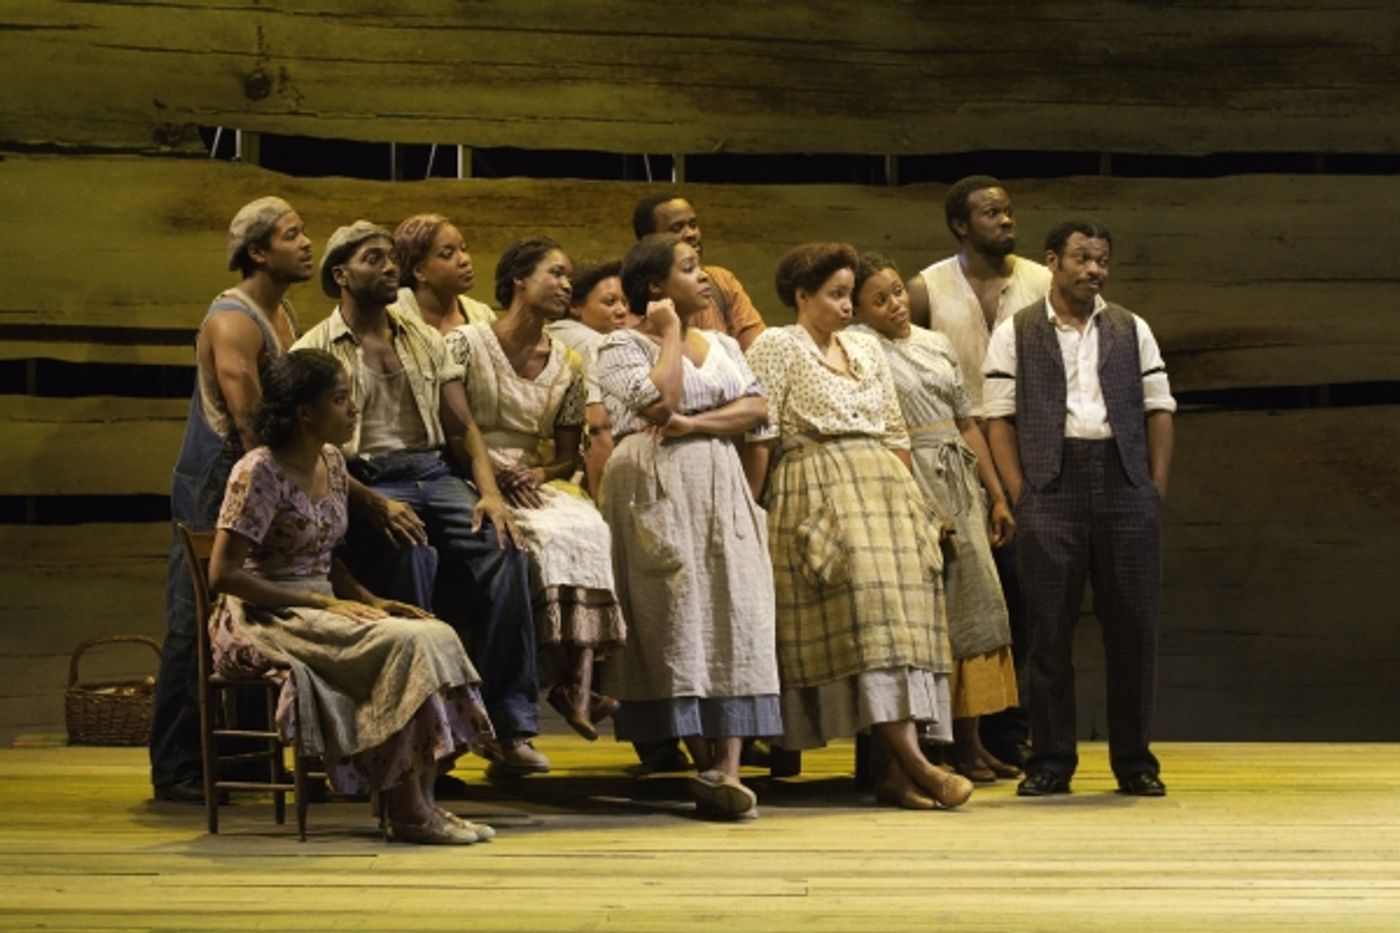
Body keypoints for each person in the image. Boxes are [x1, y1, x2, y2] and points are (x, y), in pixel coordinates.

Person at [151, 198, 423, 803]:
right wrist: (314, 489)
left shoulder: (282, 313)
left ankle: (251, 759)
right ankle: (178, 765)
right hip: (221, 476)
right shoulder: (234, 321)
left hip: (260, 474)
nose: (305, 245)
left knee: (264, 603)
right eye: (291, 235)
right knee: (195, 615)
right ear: (257, 251)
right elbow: (256, 426)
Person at [291, 221, 549, 778]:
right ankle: (425, 742)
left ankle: (510, 726)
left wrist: (490, 494)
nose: (390, 268)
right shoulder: (313, 349)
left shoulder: (421, 337)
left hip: (432, 470)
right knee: (412, 559)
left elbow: (463, 428)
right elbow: (312, 453)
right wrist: (372, 503)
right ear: (342, 275)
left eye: (391, 258)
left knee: (508, 549)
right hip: (366, 477)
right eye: (373, 259)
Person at [208, 348, 496, 844]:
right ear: (305, 412)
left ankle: (424, 802)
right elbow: (224, 575)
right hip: (264, 614)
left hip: (323, 604)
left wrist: (371, 600)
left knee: (435, 632)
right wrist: (320, 604)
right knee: (408, 644)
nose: (353, 409)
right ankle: (408, 811)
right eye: (340, 399)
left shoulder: (332, 464)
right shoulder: (259, 471)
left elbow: (325, 556)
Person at [743, 242, 973, 811]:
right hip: (818, 482)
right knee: (869, 619)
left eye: (850, 294)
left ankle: (895, 773)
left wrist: (914, 505)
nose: (848, 306)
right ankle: (919, 765)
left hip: (886, 489)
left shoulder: (866, 348)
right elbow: (762, 433)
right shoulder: (778, 345)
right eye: (836, 295)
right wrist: (751, 505)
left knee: (907, 622)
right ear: (802, 296)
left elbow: (894, 430)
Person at [983, 220, 1175, 797]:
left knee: (1133, 628)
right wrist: (1021, 491)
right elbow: (999, 417)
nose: (1095, 270)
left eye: (1102, 260)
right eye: (1083, 258)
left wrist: (1152, 488)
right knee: (1048, 630)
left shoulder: (1130, 327)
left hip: (1123, 482)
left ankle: (1134, 762)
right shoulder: (1017, 331)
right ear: (1053, 261)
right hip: (1052, 484)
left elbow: (1159, 407)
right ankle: (1050, 760)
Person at [594, 233, 779, 819]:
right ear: (656, 286)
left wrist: (697, 425)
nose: (705, 278)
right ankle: (704, 762)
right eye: (690, 268)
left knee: (736, 611)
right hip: (655, 481)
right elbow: (658, 401)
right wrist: (670, 331)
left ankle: (728, 769)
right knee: (675, 613)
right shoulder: (619, 346)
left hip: (719, 479)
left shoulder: (723, 343)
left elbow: (757, 408)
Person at [443, 237, 626, 740]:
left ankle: (578, 686)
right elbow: (448, 427)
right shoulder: (466, 343)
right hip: (470, 470)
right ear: (519, 280)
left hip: (529, 475)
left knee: (588, 528)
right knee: (538, 540)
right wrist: (492, 472)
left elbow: (567, 454)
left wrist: (540, 474)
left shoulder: (567, 361)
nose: (566, 284)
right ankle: (553, 679)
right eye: (555, 273)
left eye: (568, 276)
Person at [850, 252, 1020, 783]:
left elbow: (967, 423)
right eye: (879, 300)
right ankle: (936, 747)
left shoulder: (936, 343)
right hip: (911, 473)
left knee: (977, 605)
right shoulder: (861, 349)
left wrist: (996, 495)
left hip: (958, 475)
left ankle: (973, 740)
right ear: (859, 311)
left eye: (897, 292)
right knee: (933, 612)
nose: (896, 305)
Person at [906, 175, 1051, 767]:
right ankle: (960, 732)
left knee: (1028, 594)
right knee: (967, 596)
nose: (1005, 220)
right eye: (991, 213)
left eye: (1008, 210)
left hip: (1029, 447)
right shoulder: (927, 289)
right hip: (953, 456)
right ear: (960, 225)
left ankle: (1012, 727)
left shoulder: (1041, 282)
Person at [544, 257, 633, 498]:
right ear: (575, 306)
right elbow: (597, 426)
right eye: (610, 302)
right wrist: (602, 502)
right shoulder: (597, 344)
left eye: (625, 302)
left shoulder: (549, 333)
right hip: (575, 472)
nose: (622, 310)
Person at [631, 194, 766, 350]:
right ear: (650, 241)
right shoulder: (627, 300)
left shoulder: (720, 281)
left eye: (693, 225)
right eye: (677, 228)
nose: (691, 234)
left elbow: (758, 349)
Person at [391, 213, 497, 331]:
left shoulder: (483, 316)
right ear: (419, 271)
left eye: (463, 249)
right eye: (448, 254)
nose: (465, 260)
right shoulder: (394, 319)